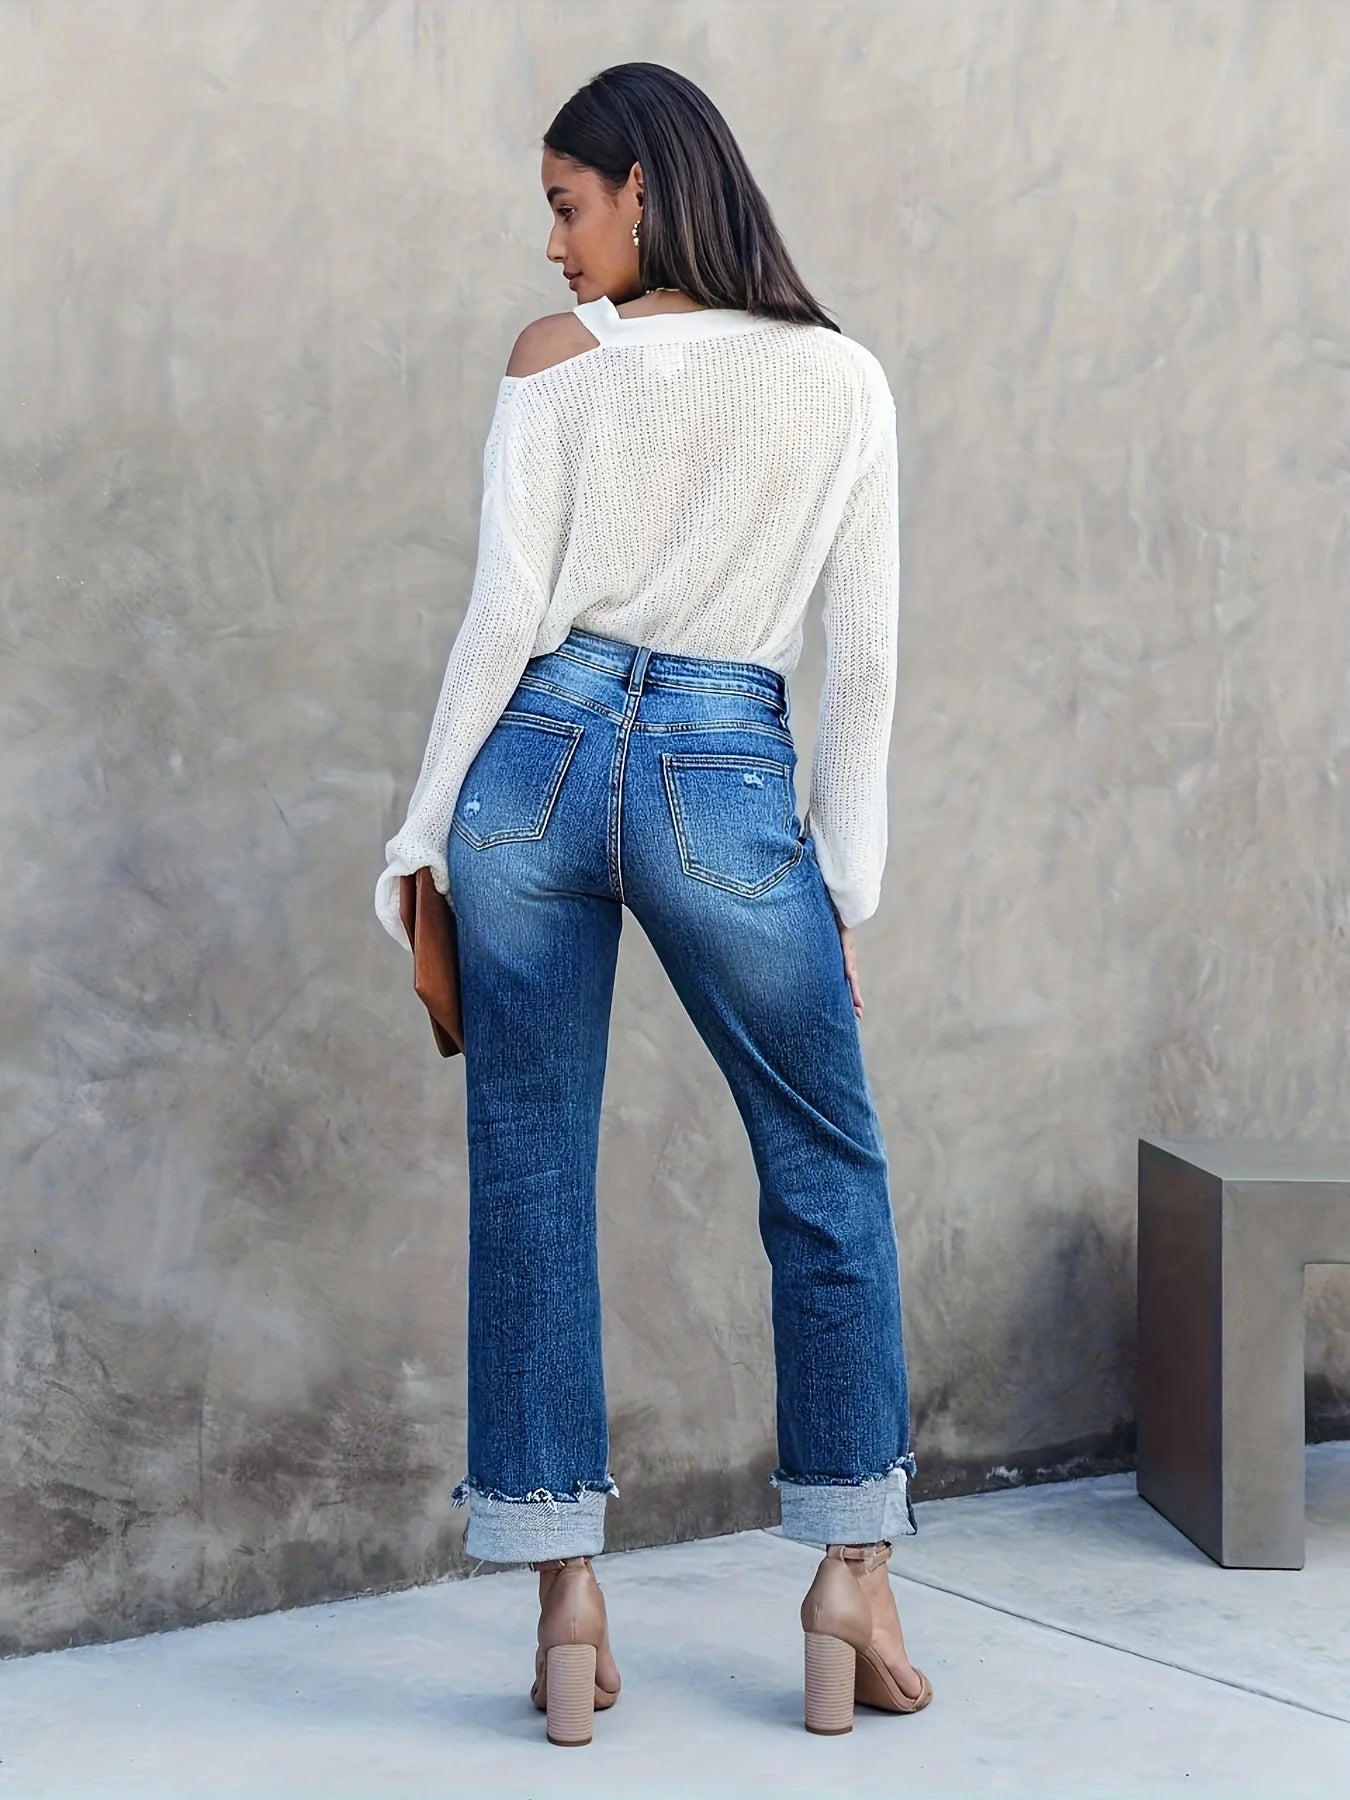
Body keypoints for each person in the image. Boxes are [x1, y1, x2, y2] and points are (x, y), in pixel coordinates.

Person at [374, 59, 931, 1744]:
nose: (551, 246)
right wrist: (841, 882)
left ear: (644, 186)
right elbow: (862, 662)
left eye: (566, 206)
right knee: (823, 1171)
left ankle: (564, 1605)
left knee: (531, 1174)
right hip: (721, 770)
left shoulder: (557, 364)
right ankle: (848, 1576)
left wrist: (419, 837)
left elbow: (503, 619)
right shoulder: (840, 379)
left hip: (531, 767)